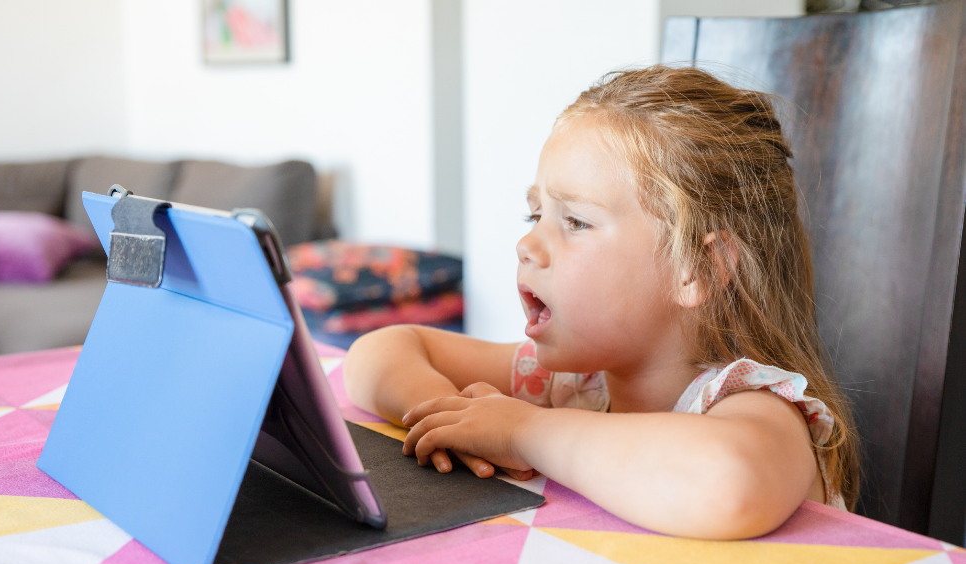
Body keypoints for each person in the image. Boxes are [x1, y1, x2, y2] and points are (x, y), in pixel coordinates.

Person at [342, 66, 859, 540]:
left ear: (697, 269)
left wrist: (522, 430)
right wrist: (453, 418)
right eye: (535, 215)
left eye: (576, 222)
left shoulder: (752, 405)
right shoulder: (579, 384)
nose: (528, 245)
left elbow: (728, 484)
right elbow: (378, 352)